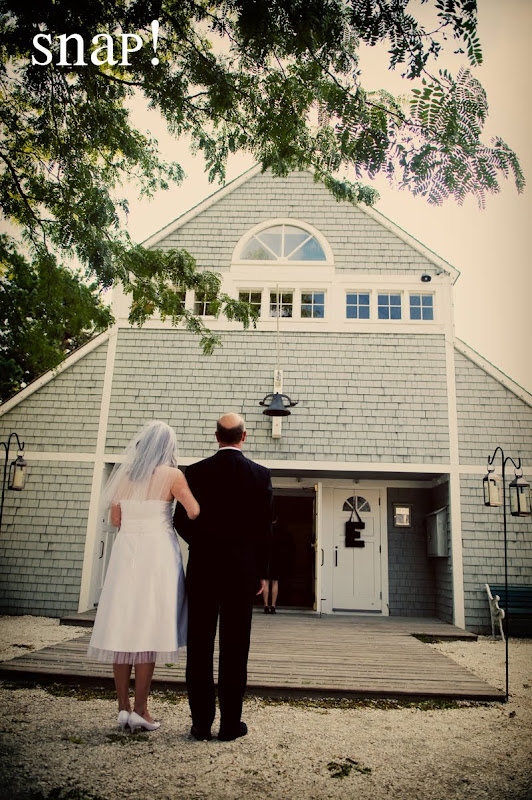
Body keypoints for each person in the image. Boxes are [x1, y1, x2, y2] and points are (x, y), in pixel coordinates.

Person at [87, 420, 199, 732]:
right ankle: (141, 710)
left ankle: (122, 709)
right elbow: (193, 511)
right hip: (157, 555)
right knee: (149, 628)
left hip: (126, 555)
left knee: (122, 627)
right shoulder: (173, 475)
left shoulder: (124, 476)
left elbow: (116, 519)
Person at [174, 412, 272, 742]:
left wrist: (203, 543)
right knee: (235, 646)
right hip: (242, 572)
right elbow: (265, 528)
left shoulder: (195, 472)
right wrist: (260, 571)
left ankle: (201, 724)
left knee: (199, 646)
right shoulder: (260, 475)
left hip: (203, 569)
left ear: (216, 436)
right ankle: (230, 725)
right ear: (243, 437)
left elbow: (180, 521)